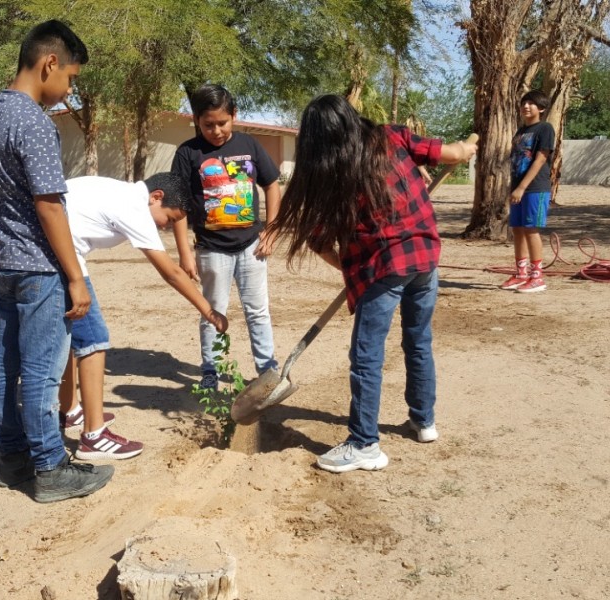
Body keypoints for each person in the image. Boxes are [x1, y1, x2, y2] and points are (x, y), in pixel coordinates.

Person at [267, 94, 476, 473]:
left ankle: (364, 444)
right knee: (418, 340)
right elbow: (452, 153)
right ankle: (423, 420)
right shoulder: (391, 137)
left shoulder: (331, 173)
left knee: (366, 358)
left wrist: (353, 268)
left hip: (386, 267)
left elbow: (318, 242)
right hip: (425, 258)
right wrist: (468, 146)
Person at [0, 20, 114, 503]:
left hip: (3, 261)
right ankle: (50, 466)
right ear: (49, 63)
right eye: (70, 78)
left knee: (2, 363)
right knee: (41, 370)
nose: (68, 90)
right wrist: (76, 277)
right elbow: (50, 204)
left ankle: (14, 456)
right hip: (38, 266)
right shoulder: (33, 121)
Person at [57, 172, 229, 459]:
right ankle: (93, 437)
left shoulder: (121, 192)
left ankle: (70, 410)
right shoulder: (134, 206)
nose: (167, 227)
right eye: (170, 219)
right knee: (93, 340)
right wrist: (209, 311)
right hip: (62, 261)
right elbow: (171, 272)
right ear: (157, 196)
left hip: (54, 255)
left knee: (74, 338)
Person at [171, 84, 280, 389]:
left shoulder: (250, 144)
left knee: (258, 312)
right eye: (208, 125)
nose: (216, 131)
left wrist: (271, 228)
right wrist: (184, 253)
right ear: (197, 120)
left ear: (234, 115)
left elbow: (272, 184)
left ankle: (268, 370)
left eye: (222, 123)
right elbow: (177, 204)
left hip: (252, 248)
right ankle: (210, 370)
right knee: (211, 312)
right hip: (211, 249)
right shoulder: (188, 153)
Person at [500, 89, 556, 293]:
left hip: (535, 188)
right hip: (518, 188)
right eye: (524, 103)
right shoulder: (521, 131)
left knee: (531, 229)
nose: (526, 106)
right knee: (518, 229)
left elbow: (540, 158)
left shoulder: (545, 129)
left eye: (531, 103)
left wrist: (523, 187)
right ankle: (521, 273)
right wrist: (514, 187)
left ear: (541, 108)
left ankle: (537, 277)